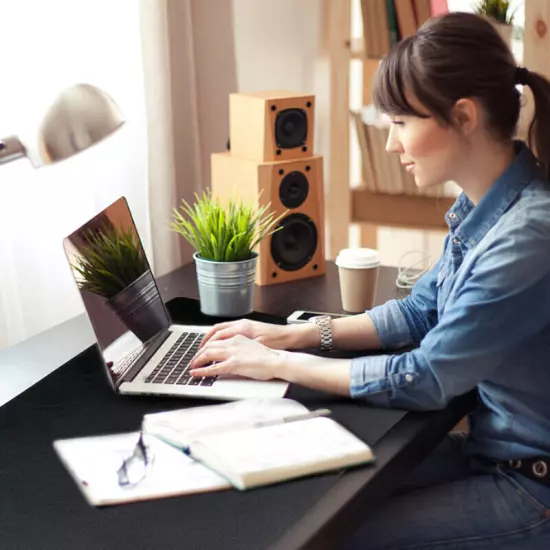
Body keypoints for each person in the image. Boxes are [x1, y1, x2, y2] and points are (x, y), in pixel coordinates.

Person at [189, 12, 550, 549]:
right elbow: (418, 311)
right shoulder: (486, 207)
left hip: (529, 486)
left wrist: (279, 366)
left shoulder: (526, 237)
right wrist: (293, 334)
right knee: (299, 491)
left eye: (402, 123)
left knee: (325, 534)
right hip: (491, 453)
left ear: (464, 116)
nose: (390, 144)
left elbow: (426, 377)